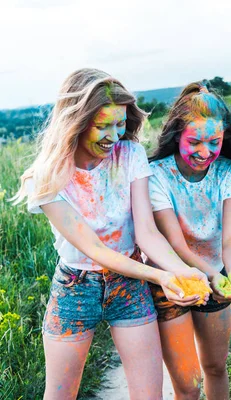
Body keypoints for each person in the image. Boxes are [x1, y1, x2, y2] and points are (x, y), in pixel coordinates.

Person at [12, 68, 210, 400]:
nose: (114, 136)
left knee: (150, 395)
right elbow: (95, 250)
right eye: (103, 126)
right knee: (59, 394)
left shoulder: (130, 155)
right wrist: (160, 277)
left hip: (129, 285)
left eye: (120, 124)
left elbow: (146, 232)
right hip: (77, 287)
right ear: (75, 121)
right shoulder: (47, 177)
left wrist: (180, 270)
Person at [146, 82, 231, 400]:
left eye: (214, 142)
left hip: (216, 274)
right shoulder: (156, 175)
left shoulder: (229, 173)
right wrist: (211, 276)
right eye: (194, 141)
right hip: (171, 282)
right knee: (187, 384)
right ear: (176, 135)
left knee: (215, 369)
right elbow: (175, 244)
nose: (204, 152)